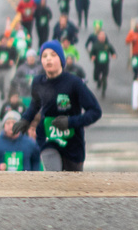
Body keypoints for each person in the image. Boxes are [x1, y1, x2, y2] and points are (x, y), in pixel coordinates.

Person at [14, 40, 102, 172]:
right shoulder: (38, 82)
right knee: (54, 180)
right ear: (41, 61)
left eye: (53, 55)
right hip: (48, 139)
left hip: (73, 143)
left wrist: (70, 122)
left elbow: (95, 111)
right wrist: (25, 119)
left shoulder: (74, 83)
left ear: (61, 59)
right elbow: (35, 104)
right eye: (44, 56)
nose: (48, 59)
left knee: (71, 187)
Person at [85, 26, 117, 99]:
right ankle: (98, 81)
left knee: (105, 77)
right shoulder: (95, 45)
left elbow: (112, 51)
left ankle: (103, 91)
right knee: (96, 76)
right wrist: (92, 57)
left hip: (105, 64)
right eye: (100, 37)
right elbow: (92, 53)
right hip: (97, 64)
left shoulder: (107, 45)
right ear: (98, 37)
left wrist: (113, 54)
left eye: (103, 37)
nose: (102, 38)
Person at [0, 33, 19, 101]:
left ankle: (6, 98)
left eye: (5, 40)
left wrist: (12, 61)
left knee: (6, 84)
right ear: (0, 41)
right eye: (3, 40)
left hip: (7, 69)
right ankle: (2, 92)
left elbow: (15, 56)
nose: (4, 42)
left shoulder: (11, 49)